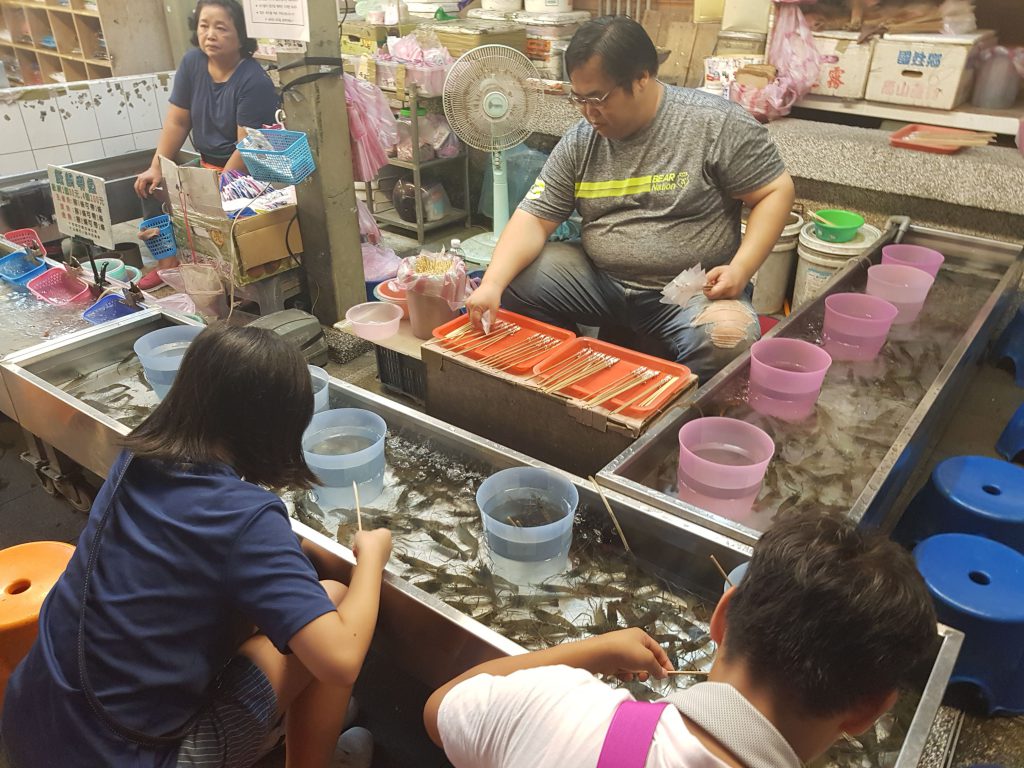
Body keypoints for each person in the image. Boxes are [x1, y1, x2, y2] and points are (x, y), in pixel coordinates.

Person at [0, 324, 391, 768]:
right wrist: (372, 559)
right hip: (128, 756)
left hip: (33, 719)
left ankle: (291, 722)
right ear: (275, 427)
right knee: (334, 603)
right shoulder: (244, 515)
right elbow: (339, 661)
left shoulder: (140, 453)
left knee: (288, 619)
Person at [424, 512, 938, 768]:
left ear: (722, 616)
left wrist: (586, 654)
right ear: (868, 711)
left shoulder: (553, 704)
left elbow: (441, 709)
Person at [464, 16, 796, 382]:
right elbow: (534, 217)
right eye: (579, 98)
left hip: (685, 291)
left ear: (641, 78)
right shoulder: (582, 139)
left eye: (599, 98)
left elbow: (775, 191)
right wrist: (492, 284)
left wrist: (742, 268)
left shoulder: (714, 125)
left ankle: (672, 418)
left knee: (728, 339)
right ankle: (580, 373)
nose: (589, 112)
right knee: (511, 278)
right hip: (601, 282)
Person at [133, 0, 279, 289]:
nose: (209, 34)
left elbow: (246, 146)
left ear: (241, 35)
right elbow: (177, 122)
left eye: (221, 28)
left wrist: (217, 187)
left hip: (241, 174)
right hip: (204, 163)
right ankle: (168, 265)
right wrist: (157, 166)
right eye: (204, 25)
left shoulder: (254, 80)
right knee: (149, 187)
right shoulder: (192, 63)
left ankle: (221, 272)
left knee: (213, 213)